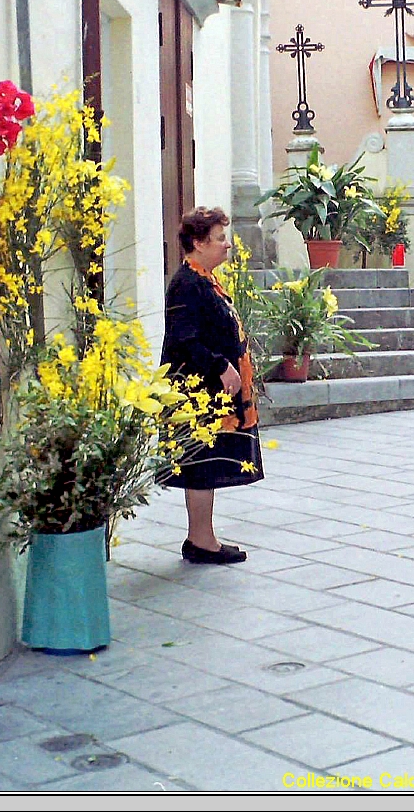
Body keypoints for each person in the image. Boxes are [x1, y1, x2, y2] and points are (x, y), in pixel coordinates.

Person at [161, 207, 265, 565]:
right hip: (197, 392)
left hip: (210, 392)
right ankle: (201, 541)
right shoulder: (187, 283)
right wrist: (221, 365)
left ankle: (202, 538)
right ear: (198, 242)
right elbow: (183, 338)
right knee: (200, 465)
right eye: (220, 238)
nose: (228, 245)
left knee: (205, 464)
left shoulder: (203, 279)